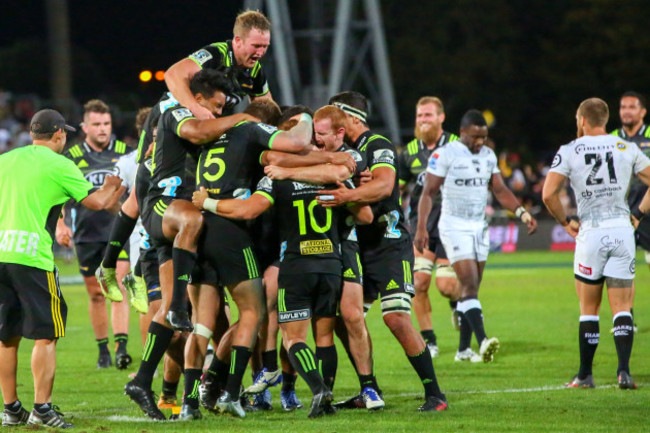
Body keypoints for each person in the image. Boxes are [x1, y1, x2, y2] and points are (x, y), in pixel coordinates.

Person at [124, 69, 257, 420]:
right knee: (193, 221)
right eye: (214, 106)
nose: (217, 113)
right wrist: (242, 118)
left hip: (181, 229)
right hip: (165, 208)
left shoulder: (206, 123)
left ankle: (142, 381)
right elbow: (198, 131)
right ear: (197, 98)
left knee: (169, 308)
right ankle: (209, 379)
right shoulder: (177, 111)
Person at [193, 167, 373, 418]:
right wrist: (345, 192)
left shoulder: (278, 177)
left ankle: (305, 387)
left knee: (287, 334)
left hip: (294, 263)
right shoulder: (332, 174)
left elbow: (249, 209)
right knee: (321, 337)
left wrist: (207, 202)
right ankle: (316, 396)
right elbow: (366, 216)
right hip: (329, 263)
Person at [178, 99, 310, 420]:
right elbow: (297, 144)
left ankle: (189, 403)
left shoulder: (208, 138)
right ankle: (232, 393)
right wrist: (305, 119)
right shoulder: (252, 134)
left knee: (202, 324)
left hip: (197, 231)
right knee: (254, 312)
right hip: (231, 232)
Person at [318, 91, 448, 412]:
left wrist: (345, 195)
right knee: (344, 319)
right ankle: (369, 389)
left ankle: (435, 394)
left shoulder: (377, 144)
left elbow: (384, 187)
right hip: (358, 247)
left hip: (388, 245)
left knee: (396, 318)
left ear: (352, 118)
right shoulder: (340, 150)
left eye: (338, 116)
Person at [0, 109, 124, 428]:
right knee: (46, 336)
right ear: (58, 135)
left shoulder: (7, 160)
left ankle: (11, 408)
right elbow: (98, 204)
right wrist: (114, 187)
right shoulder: (61, 164)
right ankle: (41, 409)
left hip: (1, 254)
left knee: (7, 337)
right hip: (32, 258)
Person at [261, 105, 384, 409]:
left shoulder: (347, 159)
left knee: (297, 333)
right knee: (320, 333)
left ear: (339, 133)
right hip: (328, 259)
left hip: (315, 256)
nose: (313, 139)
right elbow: (359, 206)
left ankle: (338, 388)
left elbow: (359, 205)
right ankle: (300, 391)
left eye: (319, 133)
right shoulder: (325, 167)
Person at [542, 97, 650, 390]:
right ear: (605, 119)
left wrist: (566, 223)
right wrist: (638, 213)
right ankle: (624, 372)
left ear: (581, 120)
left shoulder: (570, 150)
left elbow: (548, 193)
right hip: (622, 230)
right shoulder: (625, 147)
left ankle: (585, 375)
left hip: (590, 232)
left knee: (589, 308)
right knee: (623, 307)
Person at [416, 109, 537, 364]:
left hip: (479, 227)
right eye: (475, 137)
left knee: (471, 289)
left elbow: (500, 189)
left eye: (483, 137)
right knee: (468, 283)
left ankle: (463, 351)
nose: (480, 142)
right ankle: (482, 341)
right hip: (453, 226)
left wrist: (522, 212)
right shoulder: (445, 154)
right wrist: (421, 227)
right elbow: (428, 193)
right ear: (462, 134)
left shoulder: (488, 156)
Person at [55, 99, 133, 369]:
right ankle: (103, 351)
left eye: (107, 124)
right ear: (84, 127)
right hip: (87, 235)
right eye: (97, 124)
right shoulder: (71, 157)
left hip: (119, 231)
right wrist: (61, 224)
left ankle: (121, 347)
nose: (103, 129)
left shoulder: (126, 153)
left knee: (117, 287)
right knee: (96, 294)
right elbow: (58, 197)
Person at [398, 96, 460, 358]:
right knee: (419, 283)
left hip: (451, 226)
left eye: (428, 115)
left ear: (441, 118)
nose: (423, 120)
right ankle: (429, 340)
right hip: (421, 228)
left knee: (445, 286)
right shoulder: (409, 152)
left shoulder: (458, 146)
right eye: (419, 115)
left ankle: (458, 304)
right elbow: (399, 189)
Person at [164, 9, 273, 120]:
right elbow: (173, 74)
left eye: (265, 46)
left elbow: (267, 110)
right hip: (167, 117)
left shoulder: (256, 71)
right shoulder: (217, 54)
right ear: (238, 40)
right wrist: (195, 108)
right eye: (256, 46)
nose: (260, 53)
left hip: (203, 127)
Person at [611, 91, 650, 330]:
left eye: (632, 107)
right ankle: (628, 319)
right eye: (623, 107)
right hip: (621, 211)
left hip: (648, 210)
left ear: (642, 112)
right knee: (623, 267)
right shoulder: (612, 137)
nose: (626, 111)